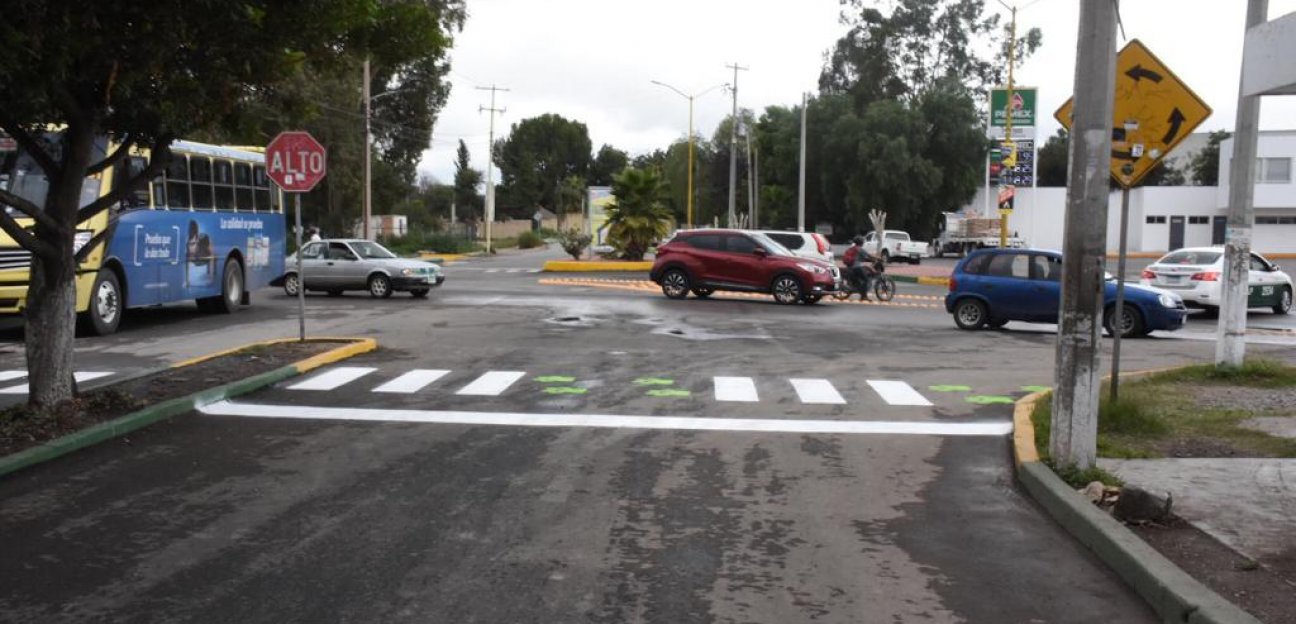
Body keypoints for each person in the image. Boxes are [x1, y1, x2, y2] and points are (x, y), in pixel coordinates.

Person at [842, 235, 878, 300]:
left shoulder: (852, 248)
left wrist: (870, 260)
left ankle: (860, 290)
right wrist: (878, 258)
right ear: (861, 242)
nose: (863, 242)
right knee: (866, 280)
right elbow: (869, 256)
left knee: (861, 277)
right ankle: (864, 296)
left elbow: (861, 258)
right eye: (863, 241)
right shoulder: (860, 249)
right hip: (856, 268)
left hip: (850, 267)